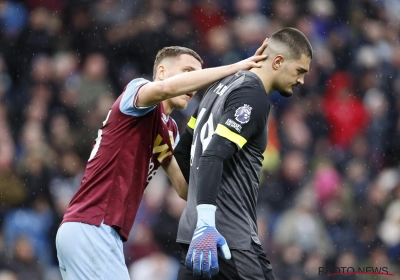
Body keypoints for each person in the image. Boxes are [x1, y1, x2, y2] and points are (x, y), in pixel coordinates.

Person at [55, 45, 268, 279]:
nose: (193, 84)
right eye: (187, 72)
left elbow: (183, 188)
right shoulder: (137, 93)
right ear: (163, 71)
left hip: (99, 232)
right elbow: (167, 88)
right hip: (92, 226)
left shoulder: (171, 130)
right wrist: (235, 68)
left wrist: (220, 169)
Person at [174, 27, 313, 279]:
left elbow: (183, 150)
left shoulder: (217, 88)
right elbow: (213, 155)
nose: (301, 80)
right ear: (279, 61)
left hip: (193, 237)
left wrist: (199, 209)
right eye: (299, 71)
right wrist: (208, 220)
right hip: (228, 240)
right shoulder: (252, 96)